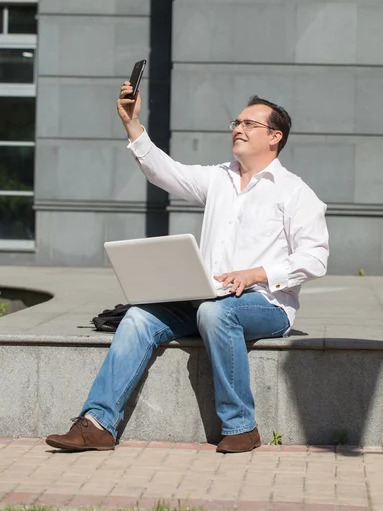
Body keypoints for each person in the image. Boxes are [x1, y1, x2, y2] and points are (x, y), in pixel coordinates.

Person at [46, 83, 329, 454]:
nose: (237, 129)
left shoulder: (295, 192)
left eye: (249, 124)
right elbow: (166, 172)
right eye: (236, 122)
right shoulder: (219, 178)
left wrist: (255, 274)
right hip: (207, 298)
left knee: (216, 313)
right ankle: (98, 424)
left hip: (266, 304)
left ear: (275, 136)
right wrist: (133, 124)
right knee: (139, 317)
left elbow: (315, 257)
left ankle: (242, 427)